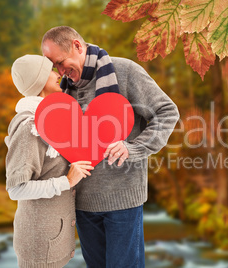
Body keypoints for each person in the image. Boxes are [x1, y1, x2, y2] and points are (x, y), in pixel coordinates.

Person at [41, 26, 180, 267]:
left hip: (123, 201)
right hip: (82, 203)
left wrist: (134, 148)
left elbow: (167, 112)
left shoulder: (124, 71)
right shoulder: (63, 91)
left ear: (77, 45)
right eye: (55, 66)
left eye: (62, 62)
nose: (61, 71)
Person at [5, 54, 94, 268]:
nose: (58, 74)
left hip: (54, 239)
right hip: (38, 245)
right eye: (50, 70)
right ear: (38, 80)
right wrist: (67, 182)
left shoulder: (52, 119)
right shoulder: (29, 126)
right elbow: (16, 189)